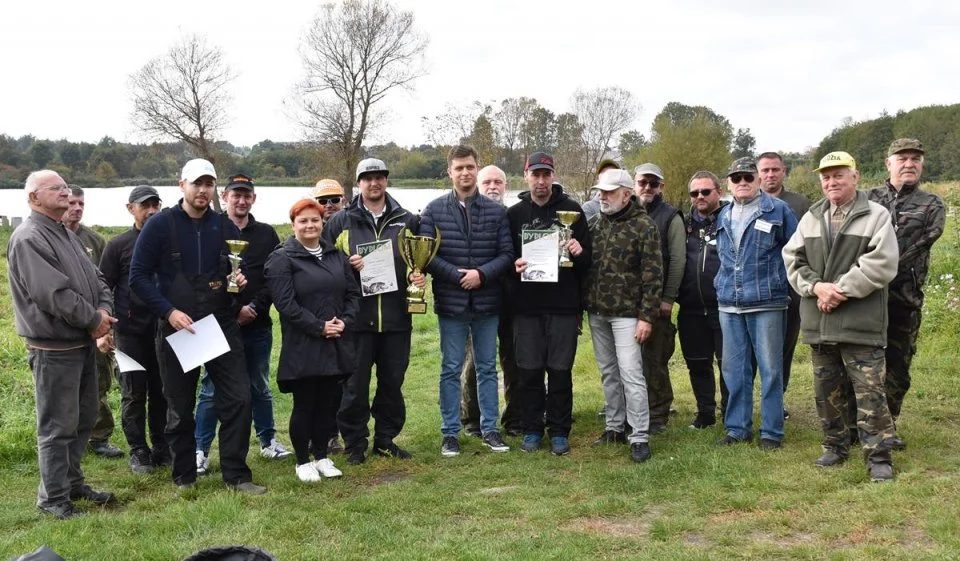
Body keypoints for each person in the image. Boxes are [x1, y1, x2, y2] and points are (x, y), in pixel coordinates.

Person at [129, 158, 265, 494]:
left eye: (209, 184)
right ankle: (184, 477)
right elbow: (138, 277)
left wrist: (239, 282)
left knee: (239, 399)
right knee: (179, 407)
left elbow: (235, 273)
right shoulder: (160, 225)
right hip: (179, 328)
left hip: (219, 324)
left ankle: (237, 475)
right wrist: (168, 312)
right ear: (182, 186)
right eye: (197, 184)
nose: (203, 190)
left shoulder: (224, 226)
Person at [783, 151, 899, 482]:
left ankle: (878, 456)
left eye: (838, 175)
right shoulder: (811, 217)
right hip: (820, 322)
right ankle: (835, 445)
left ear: (855, 177)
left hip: (860, 322)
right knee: (826, 390)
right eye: (826, 177)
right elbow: (792, 258)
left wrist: (839, 290)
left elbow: (882, 262)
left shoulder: (876, 215)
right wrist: (816, 287)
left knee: (870, 391)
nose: (831, 182)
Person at [7, 170, 116, 519]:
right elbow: (53, 294)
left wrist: (103, 310)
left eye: (66, 187)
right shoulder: (29, 237)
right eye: (55, 188)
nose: (65, 193)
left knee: (83, 418)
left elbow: (98, 278)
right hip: (53, 349)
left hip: (81, 344)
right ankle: (53, 497)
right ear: (33, 197)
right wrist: (94, 320)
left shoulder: (64, 233)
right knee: (57, 426)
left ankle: (72, 482)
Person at [322, 158, 424, 465]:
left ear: (386, 180)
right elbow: (323, 263)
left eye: (379, 177)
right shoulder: (342, 221)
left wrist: (417, 276)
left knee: (392, 383)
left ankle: (385, 439)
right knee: (354, 387)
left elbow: (418, 259)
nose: (374, 182)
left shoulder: (407, 219)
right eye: (367, 178)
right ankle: (355, 443)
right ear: (359, 183)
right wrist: (346, 266)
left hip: (396, 317)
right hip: (357, 320)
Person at [419, 145, 514, 457]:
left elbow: (507, 254)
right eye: (459, 168)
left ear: (477, 169)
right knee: (450, 368)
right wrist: (457, 275)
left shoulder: (496, 212)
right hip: (452, 303)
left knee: (487, 367)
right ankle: (450, 433)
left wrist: (481, 275)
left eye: (470, 167)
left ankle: (490, 430)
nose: (465, 173)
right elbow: (426, 256)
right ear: (450, 172)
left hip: (487, 302)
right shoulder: (433, 210)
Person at [194, 174, 289, 477]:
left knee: (259, 384)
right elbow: (202, 277)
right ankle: (200, 449)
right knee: (210, 388)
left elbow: (274, 277)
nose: (241, 200)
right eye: (235, 195)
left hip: (257, 323)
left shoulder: (266, 234)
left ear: (254, 199)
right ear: (224, 197)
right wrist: (233, 309)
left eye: (246, 195)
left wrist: (254, 308)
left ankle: (268, 440)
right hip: (219, 324)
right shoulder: (209, 228)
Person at [265, 199, 360, 482]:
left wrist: (345, 321)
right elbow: (285, 304)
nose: (310, 225)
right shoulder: (282, 258)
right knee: (305, 404)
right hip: (304, 344)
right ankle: (302, 461)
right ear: (293, 225)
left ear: (323, 223)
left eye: (315, 220)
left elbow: (352, 294)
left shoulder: (336, 256)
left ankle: (322, 456)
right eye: (303, 221)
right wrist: (319, 327)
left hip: (335, 341)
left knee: (328, 404)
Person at [508, 152, 591, 455]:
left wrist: (579, 251)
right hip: (526, 307)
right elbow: (505, 257)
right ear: (526, 176)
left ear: (553, 176)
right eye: (535, 174)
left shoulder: (573, 211)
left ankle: (559, 430)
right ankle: (532, 428)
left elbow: (588, 262)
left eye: (546, 174)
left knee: (560, 371)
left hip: (563, 306)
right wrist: (513, 265)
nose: (541, 181)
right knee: (528, 371)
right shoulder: (514, 214)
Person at [715, 157, 797, 449]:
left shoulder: (779, 210)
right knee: (734, 370)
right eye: (736, 178)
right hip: (730, 303)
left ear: (758, 180)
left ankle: (771, 432)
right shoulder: (723, 215)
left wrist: (784, 283)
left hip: (767, 303)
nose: (742, 182)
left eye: (748, 177)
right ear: (729, 183)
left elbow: (796, 251)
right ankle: (738, 428)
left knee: (771, 369)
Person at [868, 138, 945, 448]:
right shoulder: (868, 199)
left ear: (922, 165)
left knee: (897, 366)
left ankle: (887, 427)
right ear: (889, 163)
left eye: (915, 159)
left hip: (904, 299)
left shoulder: (932, 204)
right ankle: (858, 423)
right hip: (866, 298)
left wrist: (877, 267)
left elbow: (921, 245)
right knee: (862, 364)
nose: (909, 164)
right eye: (902, 158)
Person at [585, 168, 663, 463]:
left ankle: (639, 435)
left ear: (626, 194)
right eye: (600, 192)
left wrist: (646, 317)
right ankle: (614, 427)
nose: (602, 197)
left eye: (609, 192)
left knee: (631, 374)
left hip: (629, 315)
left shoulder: (644, 226)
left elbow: (653, 275)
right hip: (598, 311)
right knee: (609, 372)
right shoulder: (594, 224)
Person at [99, 185, 169, 473]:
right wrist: (104, 329)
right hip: (129, 333)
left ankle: (162, 445)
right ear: (131, 209)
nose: (151, 210)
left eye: (155, 205)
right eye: (144, 205)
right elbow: (103, 286)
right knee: (134, 392)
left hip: (164, 329)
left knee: (163, 391)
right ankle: (138, 449)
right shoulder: (118, 245)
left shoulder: (168, 241)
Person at [460, 165, 522, 438]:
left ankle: (515, 416)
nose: (493, 187)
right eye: (487, 182)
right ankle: (472, 418)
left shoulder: (515, 216)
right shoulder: (466, 216)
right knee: (474, 361)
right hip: (478, 298)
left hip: (512, 298)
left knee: (514, 359)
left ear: (506, 186)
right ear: (478, 184)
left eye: (498, 182)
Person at [62, 186, 123, 458]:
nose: (76, 208)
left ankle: (99, 437)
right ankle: (65, 437)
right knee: (64, 385)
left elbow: (106, 283)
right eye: (71, 203)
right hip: (63, 325)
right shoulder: (46, 239)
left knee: (98, 381)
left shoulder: (95, 240)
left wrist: (106, 326)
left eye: (81, 204)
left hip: (96, 323)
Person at [758, 152, 811, 414]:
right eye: (765, 170)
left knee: (783, 348)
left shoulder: (800, 203)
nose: (770, 174)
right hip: (756, 287)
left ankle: (777, 400)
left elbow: (809, 243)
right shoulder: (749, 202)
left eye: (775, 169)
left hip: (790, 287)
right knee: (753, 350)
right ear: (758, 174)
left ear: (784, 172)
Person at [633, 163, 684, 433]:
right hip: (628, 302)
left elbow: (677, 260)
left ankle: (658, 414)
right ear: (634, 183)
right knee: (631, 362)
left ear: (661, 186)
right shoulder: (626, 211)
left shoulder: (671, 216)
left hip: (657, 303)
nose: (648, 188)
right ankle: (631, 411)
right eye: (643, 182)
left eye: (654, 183)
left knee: (655, 361)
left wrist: (668, 298)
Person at [676, 171, 729, 429]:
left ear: (719, 192)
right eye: (694, 193)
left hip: (725, 307)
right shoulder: (682, 225)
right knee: (697, 364)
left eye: (705, 191)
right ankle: (705, 413)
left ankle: (730, 413)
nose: (700, 197)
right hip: (691, 308)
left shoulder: (731, 219)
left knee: (728, 365)